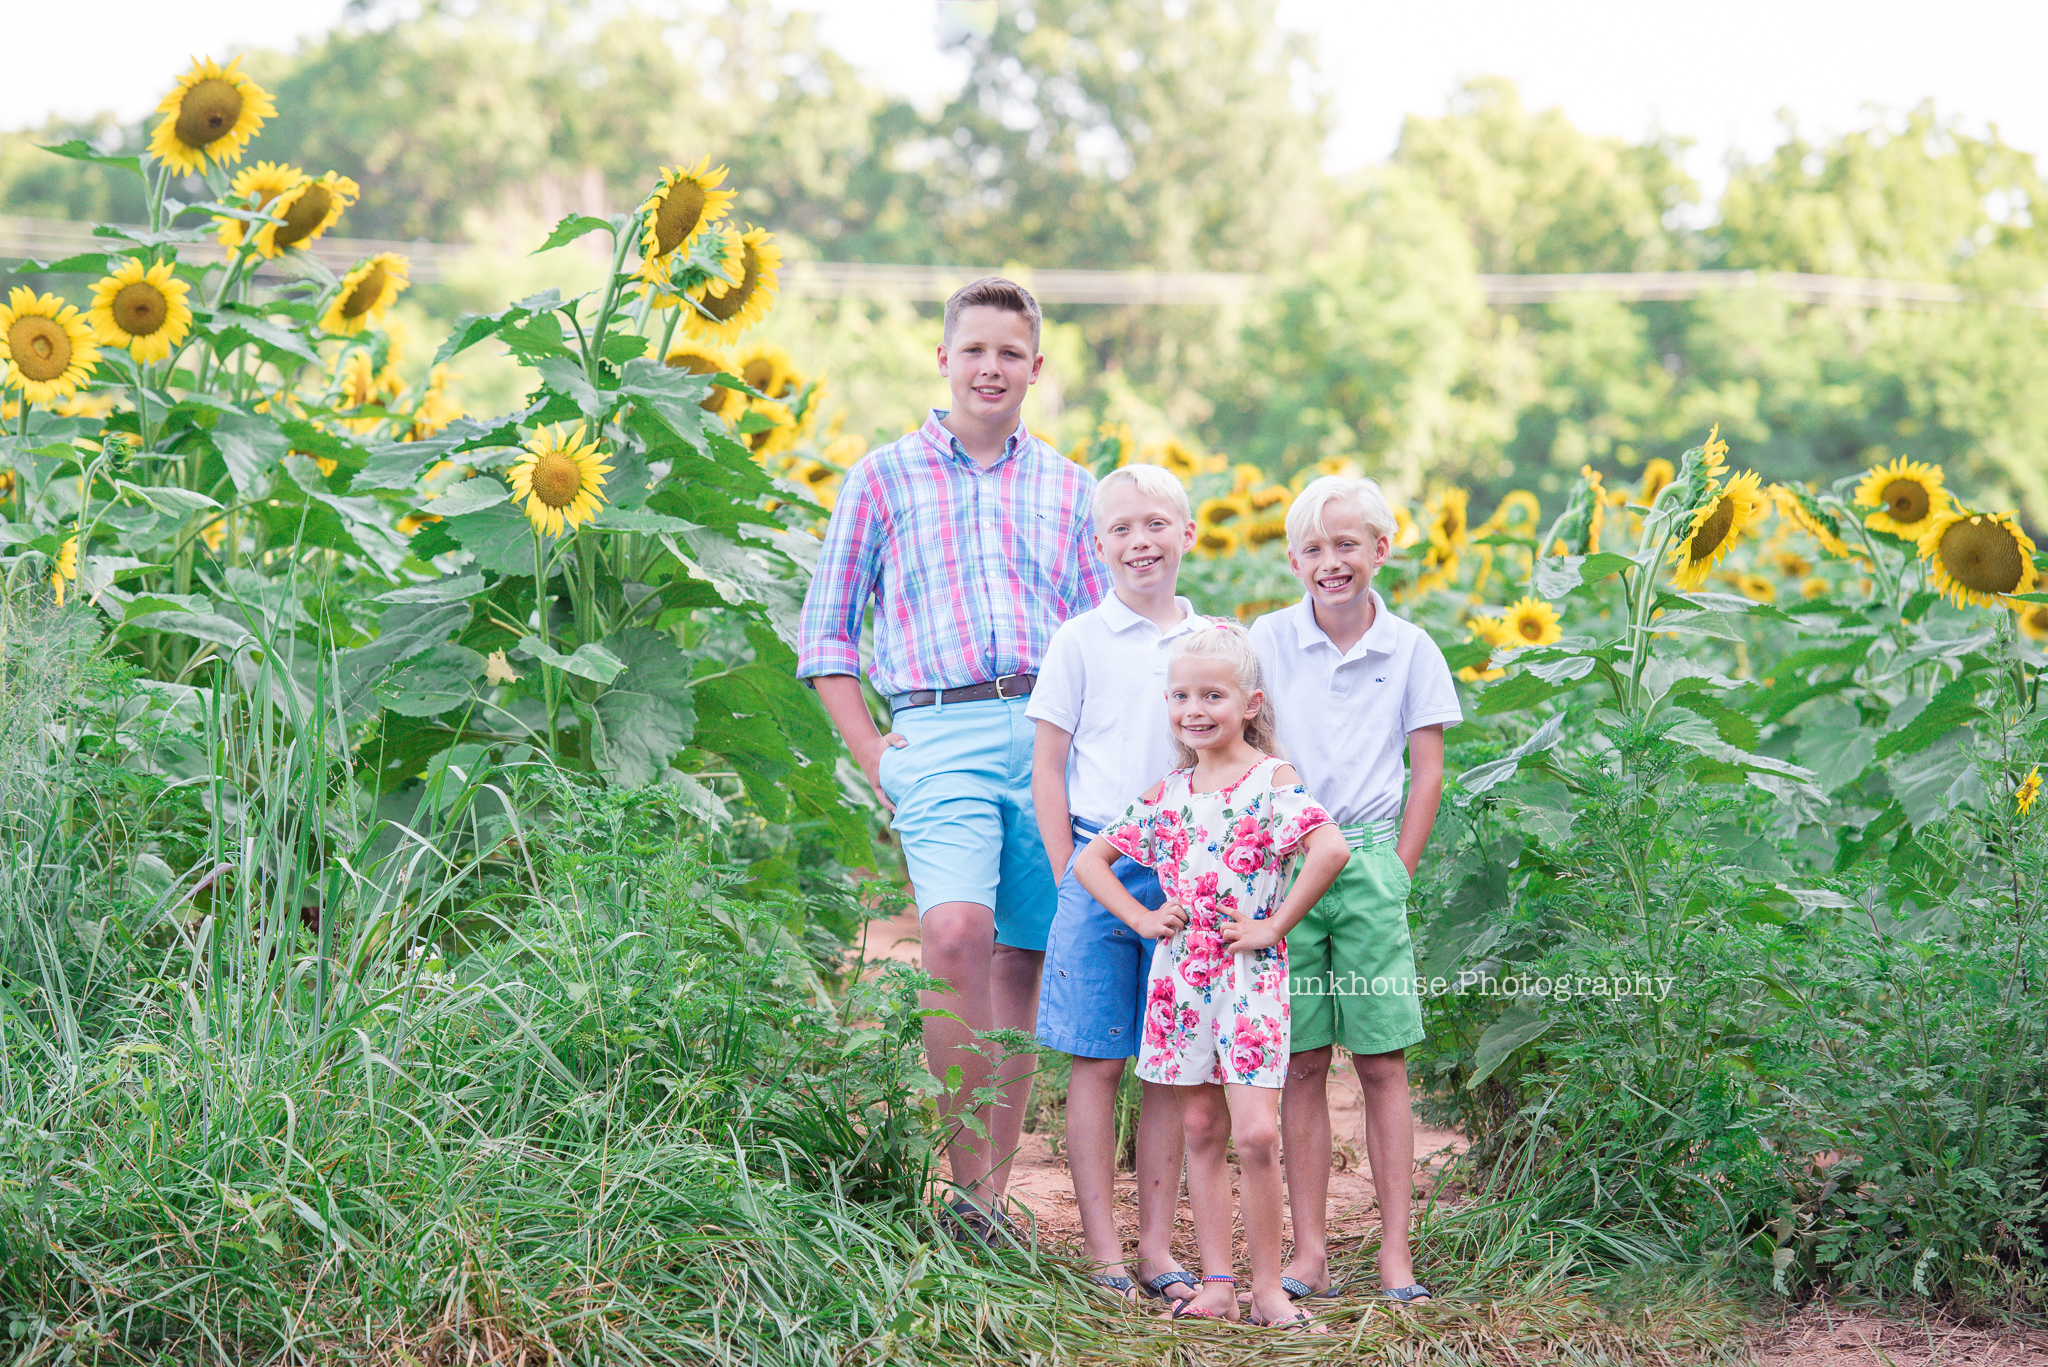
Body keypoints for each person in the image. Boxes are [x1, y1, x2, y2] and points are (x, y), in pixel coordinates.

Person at [797, 277, 1110, 1233]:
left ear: (1035, 368)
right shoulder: (883, 478)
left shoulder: (1070, 488)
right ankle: (959, 1179)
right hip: (935, 732)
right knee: (954, 937)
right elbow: (825, 639)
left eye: (1010, 352)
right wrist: (875, 755)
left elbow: (1106, 632)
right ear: (944, 357)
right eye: (974, 348)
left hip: (1050, 738)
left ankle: (988, 1200)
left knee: (1022, 955)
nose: (990, 366)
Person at [1073, 624, 1350, 1330]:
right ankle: (1220, 1283)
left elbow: (1330, 847)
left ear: (1250, 702)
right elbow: (1090, 861)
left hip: (1250, 976)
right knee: (1200, 1125)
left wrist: (1274, 924)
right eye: (1181, 695)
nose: (1195, 709)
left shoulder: (1270, 779)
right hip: (1182, 981)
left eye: (1213, 695)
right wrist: (1141, 916)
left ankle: (1269, 1288)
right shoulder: (1168, 791)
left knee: (1255, 1132)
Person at [1248, 475, 1463, 1304]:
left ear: (1381, 548)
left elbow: (1428, 767)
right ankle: (1308, 1254)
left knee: (1379, 1059)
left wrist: (1398, 870)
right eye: (1313, 548)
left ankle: (1395, 1252)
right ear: (1295, 559)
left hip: (1369, 860)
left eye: (1347, 545)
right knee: (1300, 1061)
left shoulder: (1410, 648)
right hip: (1286, 864)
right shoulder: (1267, 639)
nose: (1331, 562)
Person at [1028, 463, 1207, 1304]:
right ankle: (1102, 1247)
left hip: (1187, 870)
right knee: (1098, 1062)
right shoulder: (1079, 640)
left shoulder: (1210, 644)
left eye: (1156, 524)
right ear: (1097, 545)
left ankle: (1158, 1246)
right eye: (1121, 529)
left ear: (1188, 534)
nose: (1141, 541)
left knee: (1170, 1066)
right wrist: (1072, 866)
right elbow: (1049, 765)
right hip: (1098, 860)